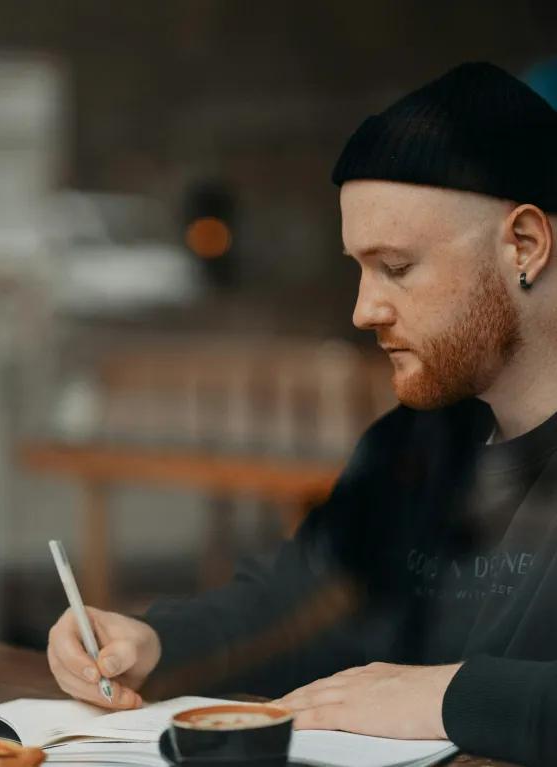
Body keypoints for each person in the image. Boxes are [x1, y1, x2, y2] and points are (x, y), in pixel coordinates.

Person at [48, 62, 557, 767]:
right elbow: (298, 598)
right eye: (357, 267)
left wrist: (450, 696)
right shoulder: (415, 445)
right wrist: (151, 641)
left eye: (396, 266)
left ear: (524, 244)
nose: (362, 309)